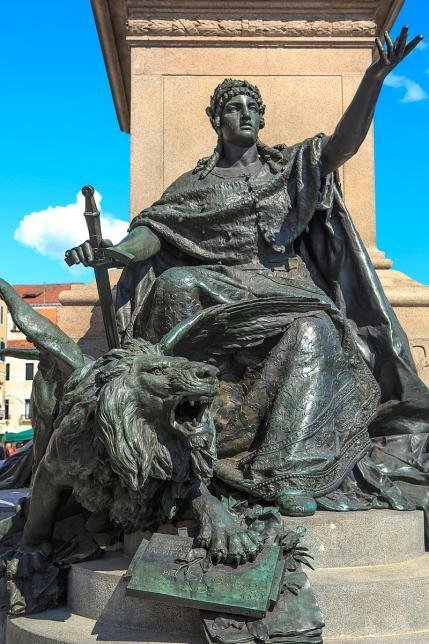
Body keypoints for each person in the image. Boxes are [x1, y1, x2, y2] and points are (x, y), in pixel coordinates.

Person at [66, 28, 429, 525]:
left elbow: (341, 147)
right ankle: (177, 438)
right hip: (221, 285)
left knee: (314, 330)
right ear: (216, 120)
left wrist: (373, 80)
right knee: (174, 286)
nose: (247, 115)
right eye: (235, 108)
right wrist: (114, 251)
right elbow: (155, 230)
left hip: (283, 288)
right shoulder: (195, 185)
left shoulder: (289, 167)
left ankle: (294, 470)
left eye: (253, 108)